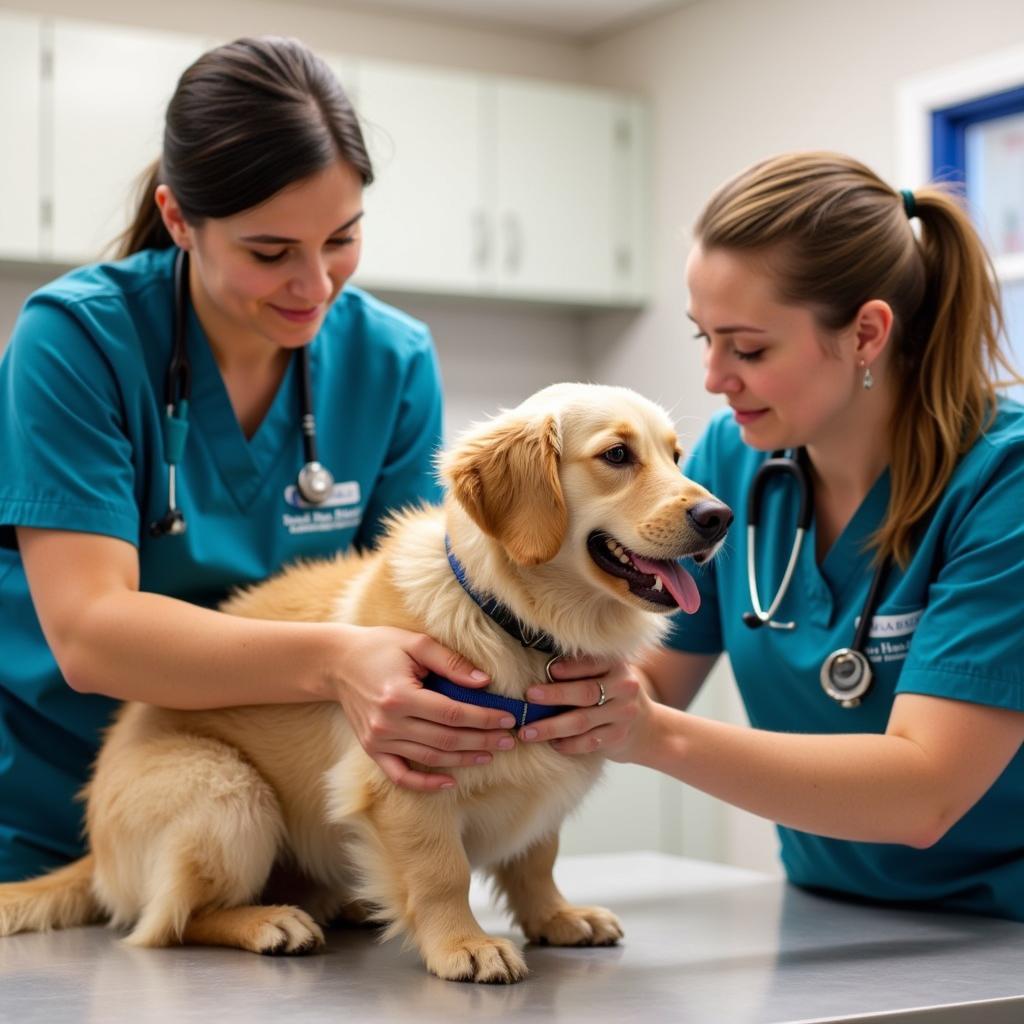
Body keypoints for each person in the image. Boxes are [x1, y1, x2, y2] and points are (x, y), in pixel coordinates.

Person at [0, 36, 519, 883]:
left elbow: (408, 605)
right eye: (270, 253)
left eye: (342, 239)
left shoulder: (390, 359)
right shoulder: (78, 340)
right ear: (179, 220)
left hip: (296, 815)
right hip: (66, 808)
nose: (314, 285)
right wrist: (339, 658)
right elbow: (92, 635)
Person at [515, 152, 1024, 921]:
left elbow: (925, 793)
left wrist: (651, 735)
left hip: (1000, 926)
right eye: (704, 340)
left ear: (865, 334)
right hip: (827, 910)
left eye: (748, 348)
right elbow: (643, 682)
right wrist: (503, 689)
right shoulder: (736, 462)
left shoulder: (1003, 483)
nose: (716, 377)